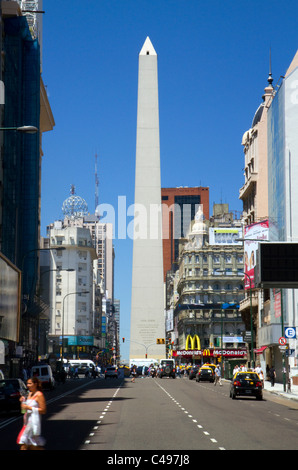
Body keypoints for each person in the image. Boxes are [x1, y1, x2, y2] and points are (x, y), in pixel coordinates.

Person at [17, 376, 47, 450]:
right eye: (27, 383)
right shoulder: (29, 394)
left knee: (23, 443)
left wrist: (29, 408)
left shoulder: (39, 395)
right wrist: (22, 402)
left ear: (35, 384)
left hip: (33, 422)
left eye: (30, 383)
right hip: (27, 421)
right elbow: (25, 408)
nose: (27, 385)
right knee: (32, 446)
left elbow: (43, 410)